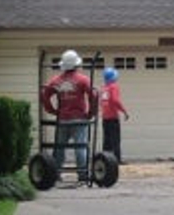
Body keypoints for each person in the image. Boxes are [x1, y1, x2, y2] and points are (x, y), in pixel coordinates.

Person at [42, 49, 94, 181]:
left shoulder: (56, 80)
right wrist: (91, 113)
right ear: (76, 65)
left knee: (59, 148)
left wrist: (52, 110)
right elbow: (93, 95)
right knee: (80, 147)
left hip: (63, 119)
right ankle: (82, 174)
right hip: (79, 119)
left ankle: (56, 174)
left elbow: (45, 95)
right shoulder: (83, 79)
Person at [101, 67, 129, 164]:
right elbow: (115, 100)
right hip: (113, 118)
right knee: (115, 140)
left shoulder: (104, 88)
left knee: (106, 141)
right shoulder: (114, 86)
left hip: (105, 118)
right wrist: (124, 111)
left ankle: (105, 160)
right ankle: (116, 160)